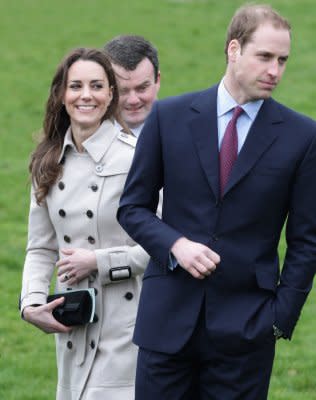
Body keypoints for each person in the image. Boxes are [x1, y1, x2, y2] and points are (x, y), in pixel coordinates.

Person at [117, 4, 316, 400]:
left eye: (282, 60)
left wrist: (279, 318)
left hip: (247, 332)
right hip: (166, 322)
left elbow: (307, 240)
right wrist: (175, 245)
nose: (275, 70)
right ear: (233, 50)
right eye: (265, 57)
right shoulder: (169, 117)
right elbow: (132, 208)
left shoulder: (302, 135)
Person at [20, 48, 150, 400]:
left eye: (96, 85)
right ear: (62, 95)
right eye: (75, 86)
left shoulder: (137, 157)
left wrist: (97, 262)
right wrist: (31, 303)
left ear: (111, 95)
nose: (85, 95)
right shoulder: (47, 161)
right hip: (74, 322)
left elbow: (162, 247)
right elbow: (41, 247)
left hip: (128, 325)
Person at [104, 35, 160, 137]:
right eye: (122, 91)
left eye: (142, 88)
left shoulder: (187, 134)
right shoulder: (82, 139)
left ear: (157, 80)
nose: (133, 100)